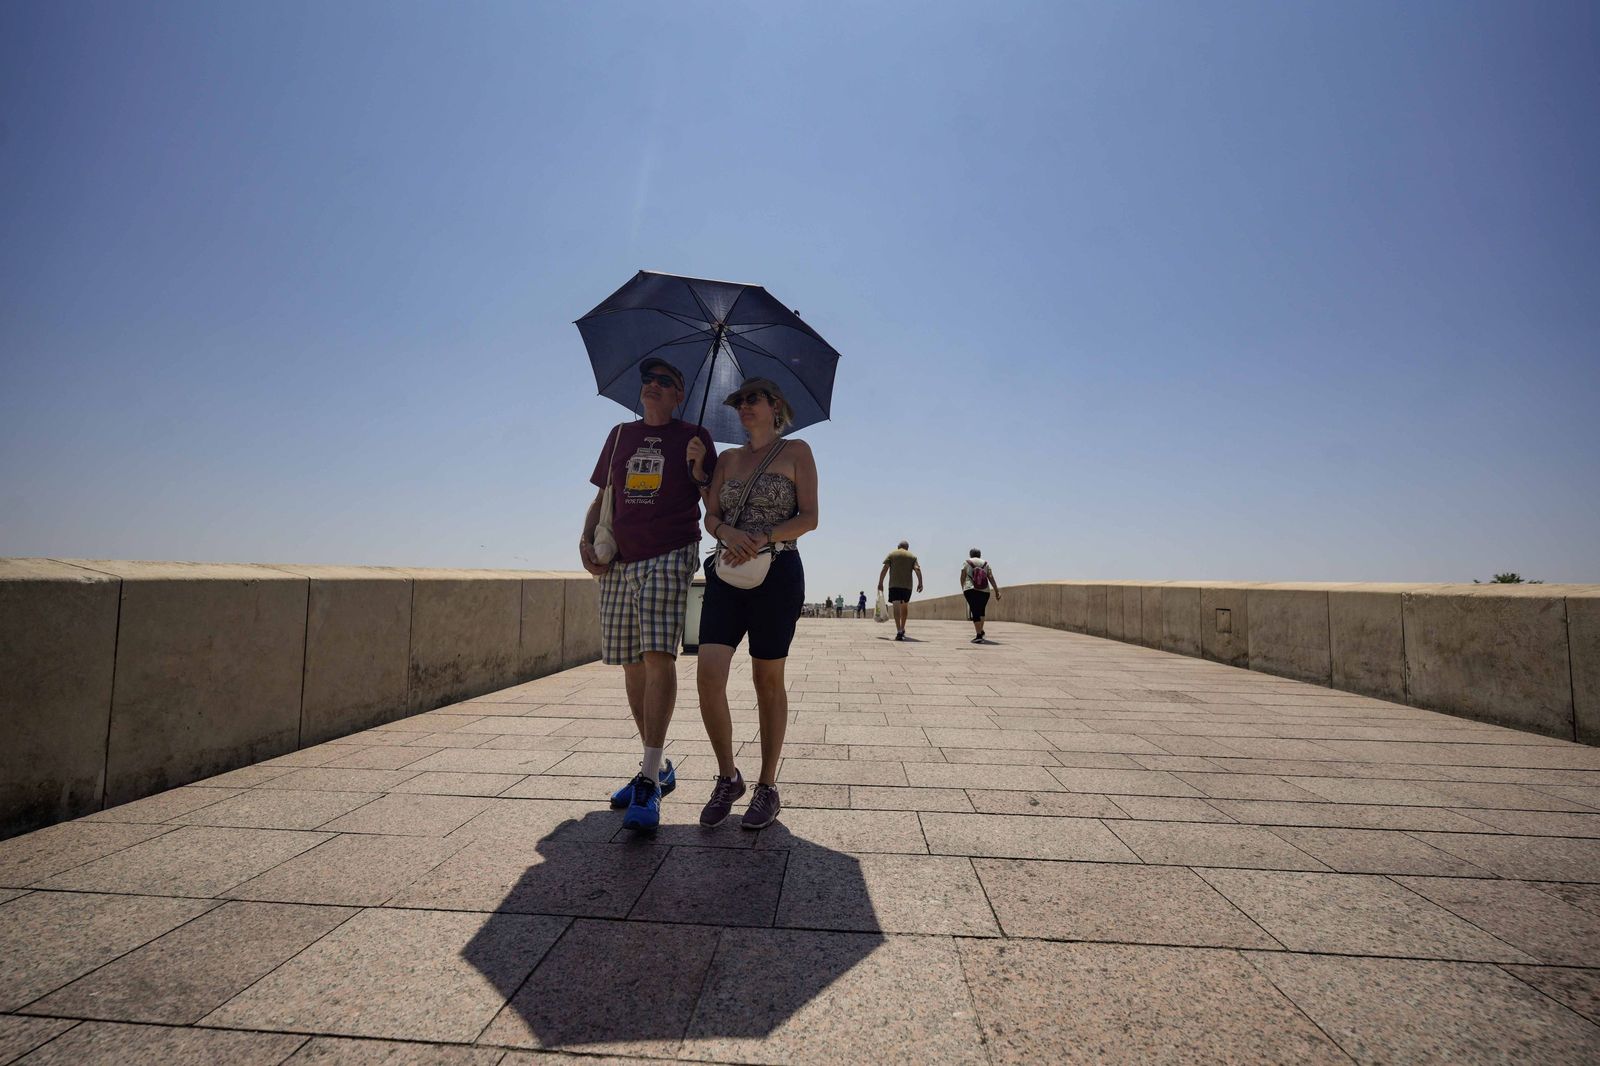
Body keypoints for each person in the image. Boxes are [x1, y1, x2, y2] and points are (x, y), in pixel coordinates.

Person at [579, 357, 716, 834]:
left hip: (670, 553)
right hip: (619, 559)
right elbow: (602, 497)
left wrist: (700, 469)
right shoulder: (619, 434)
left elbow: (713, 503)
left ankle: (648, 782)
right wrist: (584, 541)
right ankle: (655, 768)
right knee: (631, 666)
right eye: (648, 381)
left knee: (658, 656)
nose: (653, 386)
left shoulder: (695, 437)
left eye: (665, 382)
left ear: (680, 394)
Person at [695, 378, 818, 829]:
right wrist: (728, 532)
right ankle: (728, 776)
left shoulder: (797, 452)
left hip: (779, 572)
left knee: (767, 678)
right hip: (726, 573)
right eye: (739, 401)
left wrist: (762, 536)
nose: (744, 406)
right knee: (708, 676)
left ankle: (767, 786)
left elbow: (810, 518)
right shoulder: (727, 459)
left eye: (753, 399)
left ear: (775, 404)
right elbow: (711, 514)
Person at [877, 540, 923, 640]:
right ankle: (903, 627)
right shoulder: (912, 557)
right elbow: (917, 569)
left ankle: (899, 631)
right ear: (907, 548)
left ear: (898, 547)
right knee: (904, 607)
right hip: (907, 586)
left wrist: (880, 583)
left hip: (894, 585)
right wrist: (920, 582)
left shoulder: (892, 554)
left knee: (896, 607)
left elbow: (885, 568)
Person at [960, 548, 1003, 643]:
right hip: (985, 591)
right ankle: (980, 630)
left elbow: (962, 576)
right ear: (980, 555)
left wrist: (963, 588)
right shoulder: (985, 563)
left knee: (974, 611)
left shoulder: (967, 562)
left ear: (970, 554)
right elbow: (990, 577)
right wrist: (996, 591)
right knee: (981, 610)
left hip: (971, 589)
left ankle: (978, 635)